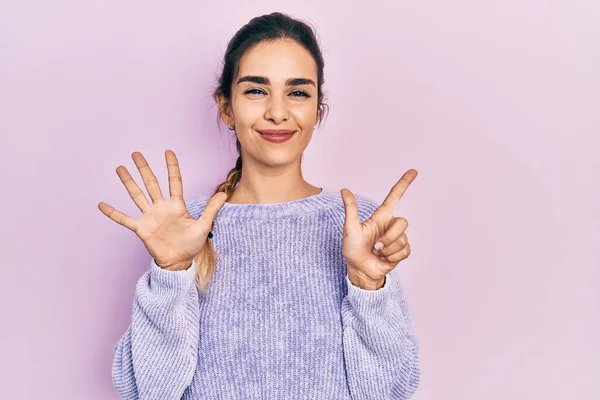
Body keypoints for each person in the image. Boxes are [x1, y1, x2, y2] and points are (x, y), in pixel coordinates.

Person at [98, 12, 420, 400]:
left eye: (298, 92)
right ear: (226, 107)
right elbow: (143, 390)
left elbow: (392, 390)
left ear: (318, 109)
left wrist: (368, 286)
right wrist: (172, 272)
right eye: (256, 90)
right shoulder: (186, 228)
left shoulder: (359, 226)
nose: (278, 112)